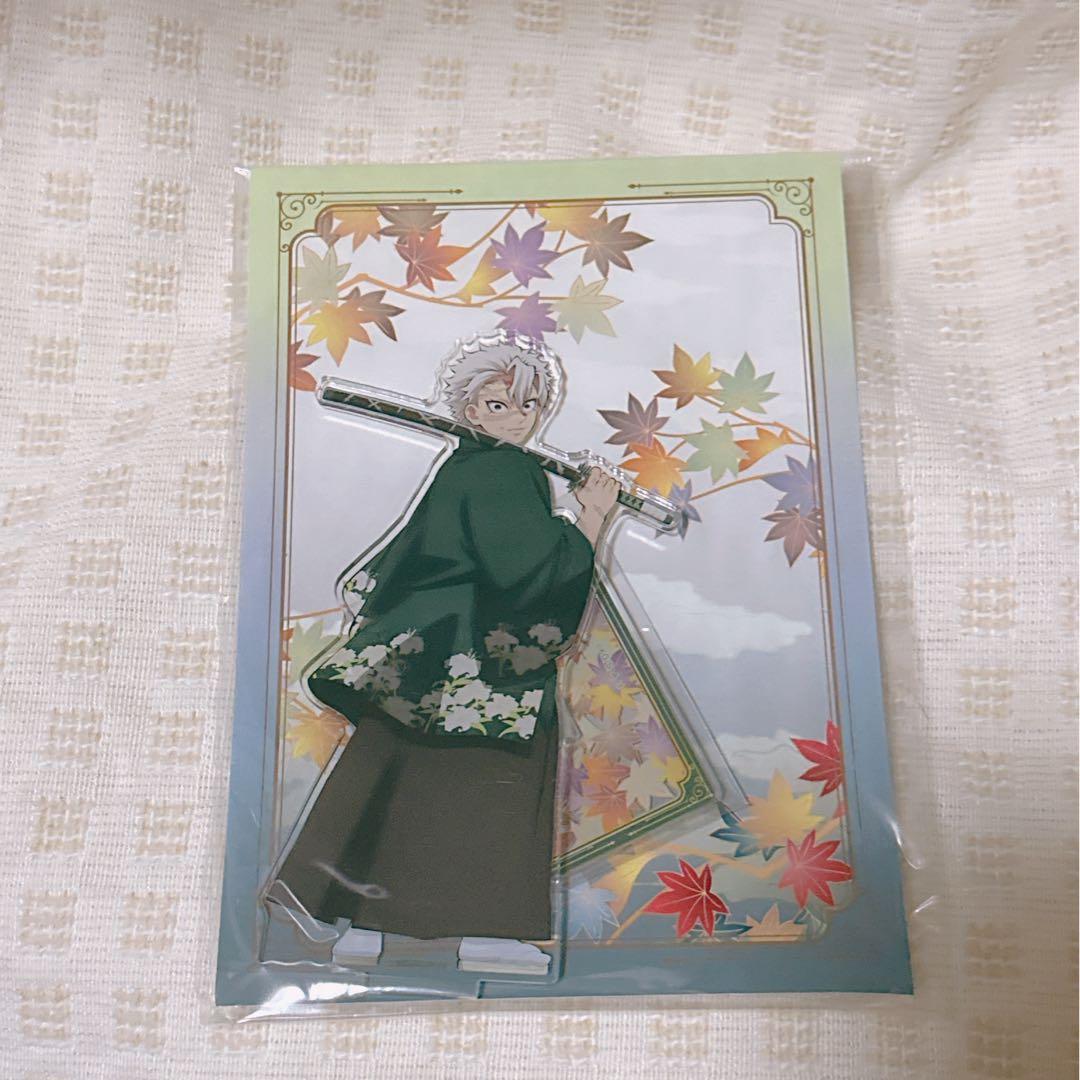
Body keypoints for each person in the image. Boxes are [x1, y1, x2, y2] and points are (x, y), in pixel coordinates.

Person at [263, 331, 619, 973]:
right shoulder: (507, 470)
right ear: (467, 408)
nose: (517, 419)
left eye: (529, 406)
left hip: (425, 655)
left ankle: (360, 926)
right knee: (490, 789)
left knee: (396, 776)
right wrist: (591, 519)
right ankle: (487, 935)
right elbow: (530, 574)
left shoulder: (467, 466)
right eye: (498, 405)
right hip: (487, 660)